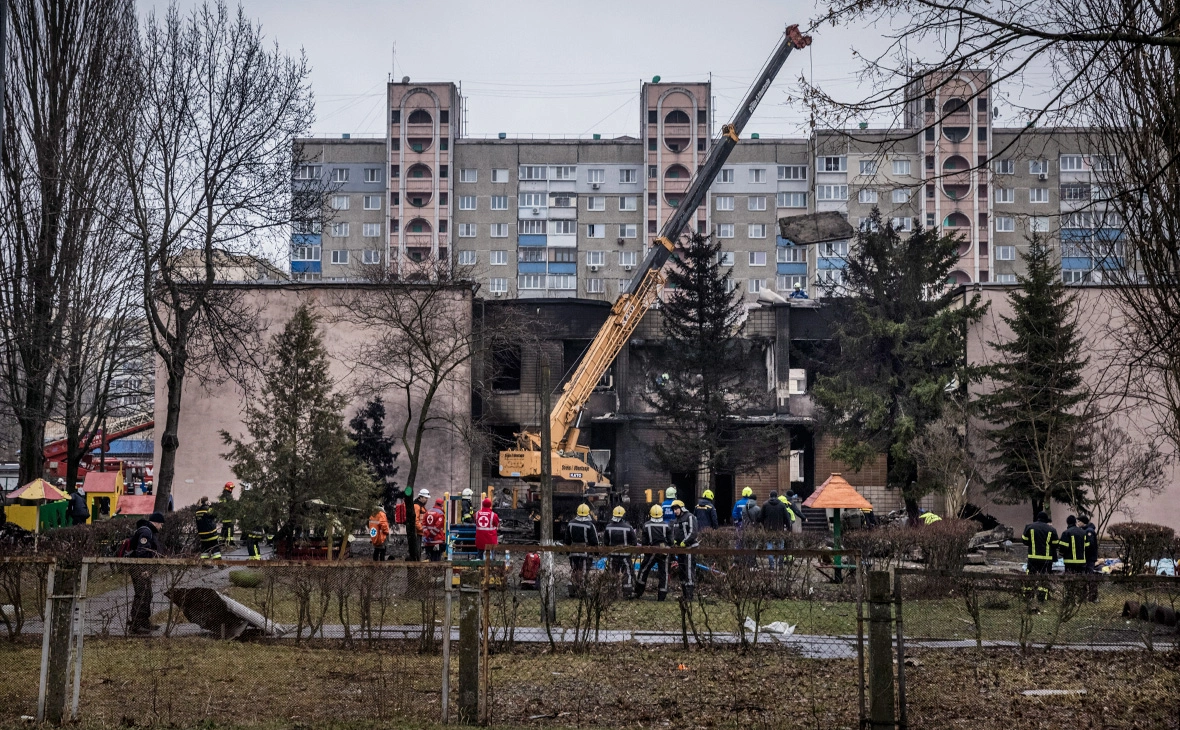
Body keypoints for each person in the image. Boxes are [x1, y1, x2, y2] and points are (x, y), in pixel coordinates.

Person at [128, 512, 164, 635]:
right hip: (140, 569)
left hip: (142, 568)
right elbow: (142, 552)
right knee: (142, 595)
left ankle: (143, 622)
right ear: (156, 523)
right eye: (161, 524)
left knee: (147, 594)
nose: (161, 527)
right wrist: (144, 569)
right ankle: (136, 624)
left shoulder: (147, 531)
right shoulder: (146, 532)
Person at [634, 505, 672, 601]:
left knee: (644, 570)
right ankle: (662, 596)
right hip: (664, 552)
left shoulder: (646, 525)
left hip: (650, 552)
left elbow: (644, 542)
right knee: (664, 573)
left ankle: (638, 592)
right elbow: (671, 542)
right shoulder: (666, 526)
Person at [1022, 511, 1058, 602]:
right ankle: (1041, 598)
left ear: (1037, 518)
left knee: (1030, 575)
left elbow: (1024, 540)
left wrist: (1032, 544)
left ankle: (1028, 596)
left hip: (1032, 557)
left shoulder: (1029, 527)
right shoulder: (1051, 529)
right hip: (1046, 558)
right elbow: (1055, 543)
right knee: (1044, 577)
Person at [670, 500, 699, 600]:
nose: (675, 511)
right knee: (682, 571)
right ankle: (685, 594)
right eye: (674, 509)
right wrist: (674, 540)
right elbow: (675, 533)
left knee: (689, 571)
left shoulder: (690, 517)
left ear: (682, 508)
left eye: (676, 509)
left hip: (690, 548)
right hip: (681, 549)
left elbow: (693, 532)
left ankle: (689, 595)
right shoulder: (676, 520)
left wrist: (685, 542)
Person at [604, 506, 637, 591]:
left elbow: (606, 542)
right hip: (625, 556)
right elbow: (634, 542)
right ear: (623, 515)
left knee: (612, 573)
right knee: (627, 573)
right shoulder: (628, 527)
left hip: (612, 556)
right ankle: (627, 592)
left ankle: (612, 592)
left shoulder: (608, 527)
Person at [568, 503, 600, 587]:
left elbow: (567, 539)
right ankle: (581, 588)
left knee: (574, 569)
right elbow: (594, 541)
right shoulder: (590, 525)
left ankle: (572, 585)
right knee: (583, 571)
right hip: (585, 553)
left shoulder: (570, 524)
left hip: (573, 552)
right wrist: (596, 552)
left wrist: (567, 551)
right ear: (588, 513)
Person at [762, 491, 789, 567]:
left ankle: (771, 565)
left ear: (769, 496)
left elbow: (760, 517)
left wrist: (764, 524)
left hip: (768, 529)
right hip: (780, 529)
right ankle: (780, 565)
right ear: (777, 496)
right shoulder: (782, 505)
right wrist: (788, 528)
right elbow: (786, 518)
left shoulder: (765, 505)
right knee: (781, 546)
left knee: (769, 546)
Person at [1079, 514, 1099, 602]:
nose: (1077, 523)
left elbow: (1089, 545)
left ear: (1083, 522)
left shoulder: (1088, 531)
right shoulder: (1086, 530)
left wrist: (1082, 550)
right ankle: (1087, 596)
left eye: (1079, 521)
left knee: (1090, 576)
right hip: (1088, 557)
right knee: (1086, 576)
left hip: (1089, 558)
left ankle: (1092, 596)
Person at [218, 482, 236, 549]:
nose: (232, 489)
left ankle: (222, 542)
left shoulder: (223, 495)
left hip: (225, 516)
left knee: (224, 529)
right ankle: (229, 542)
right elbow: (228, 506)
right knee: (229, 529)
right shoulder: (228, 496)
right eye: (231, 488)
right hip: (229, 516)